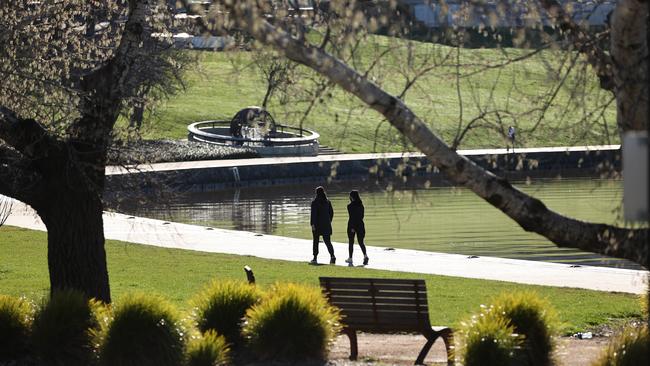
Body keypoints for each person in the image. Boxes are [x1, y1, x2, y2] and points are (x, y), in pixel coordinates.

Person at [310, 186, 335, 264]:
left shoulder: (314, 202)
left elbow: (313, 215)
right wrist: (329, 221)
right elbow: (331, 213)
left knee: (316, 241)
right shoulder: (327, 202)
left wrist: (312, 224)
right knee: (328, 241)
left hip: (317, 225)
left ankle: (315, 257)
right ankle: (332, 256)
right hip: (326, 225)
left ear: (316, 193)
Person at [345, 190, 369, 266]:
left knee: (351, 242)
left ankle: (350, 258)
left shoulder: (349, 206)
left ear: (351, 197)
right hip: (361, 225)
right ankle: (365, 256)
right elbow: (361, 216)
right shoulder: (361, 205)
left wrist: (352, 227)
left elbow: (352, 217)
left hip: (352, 225)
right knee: (361, 242)